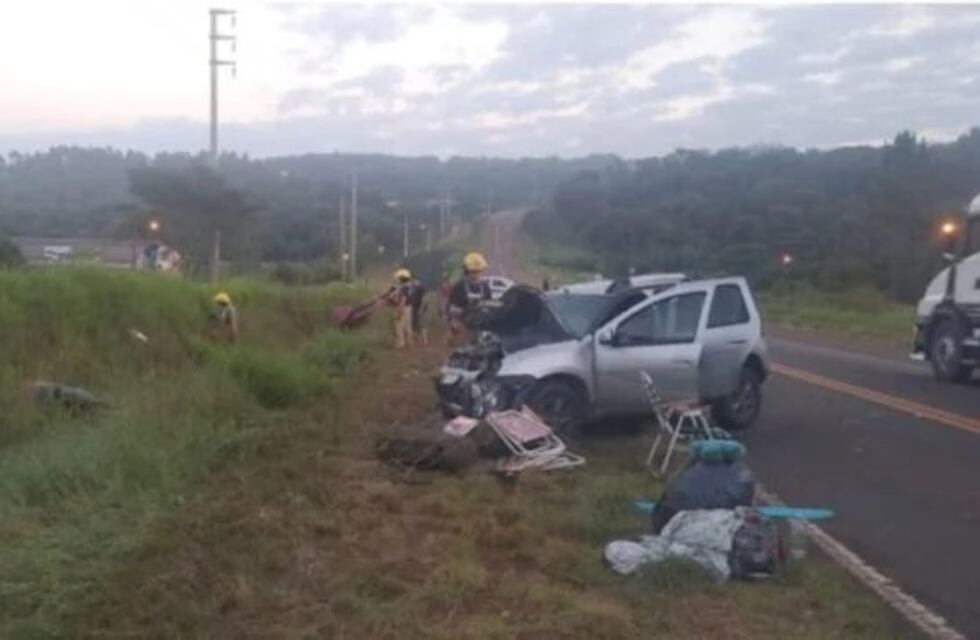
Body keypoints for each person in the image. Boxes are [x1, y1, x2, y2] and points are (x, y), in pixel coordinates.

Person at [447, 251, 491, 347]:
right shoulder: (459, 287)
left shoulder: (485, 287)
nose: (477, 275)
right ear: (467, 271)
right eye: (474, 272)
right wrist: (464, 313)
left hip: (480, 327)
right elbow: (452, 308)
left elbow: (489, 305)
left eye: (479, 271)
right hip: (463, 326)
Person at [386, 268, 414, 349]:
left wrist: (399, 309)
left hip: (403, 307)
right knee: (408, 325)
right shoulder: (410, 287)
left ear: (401, 279)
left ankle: (400, 343)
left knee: (398, 325)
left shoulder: (404, 288)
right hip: (409, 307)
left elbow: (403, 299)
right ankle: (409, 342)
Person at [408, 274, 428, 347]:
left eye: (411, 280)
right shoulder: (413, 287)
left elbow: (424, 299)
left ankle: (425, 340)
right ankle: (418, 340)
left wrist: (421, 308)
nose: (411, 281)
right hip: (414, 307)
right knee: (414, 324)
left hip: (420, 308)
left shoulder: (420, 287)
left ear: (414, 279)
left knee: (421, 324)